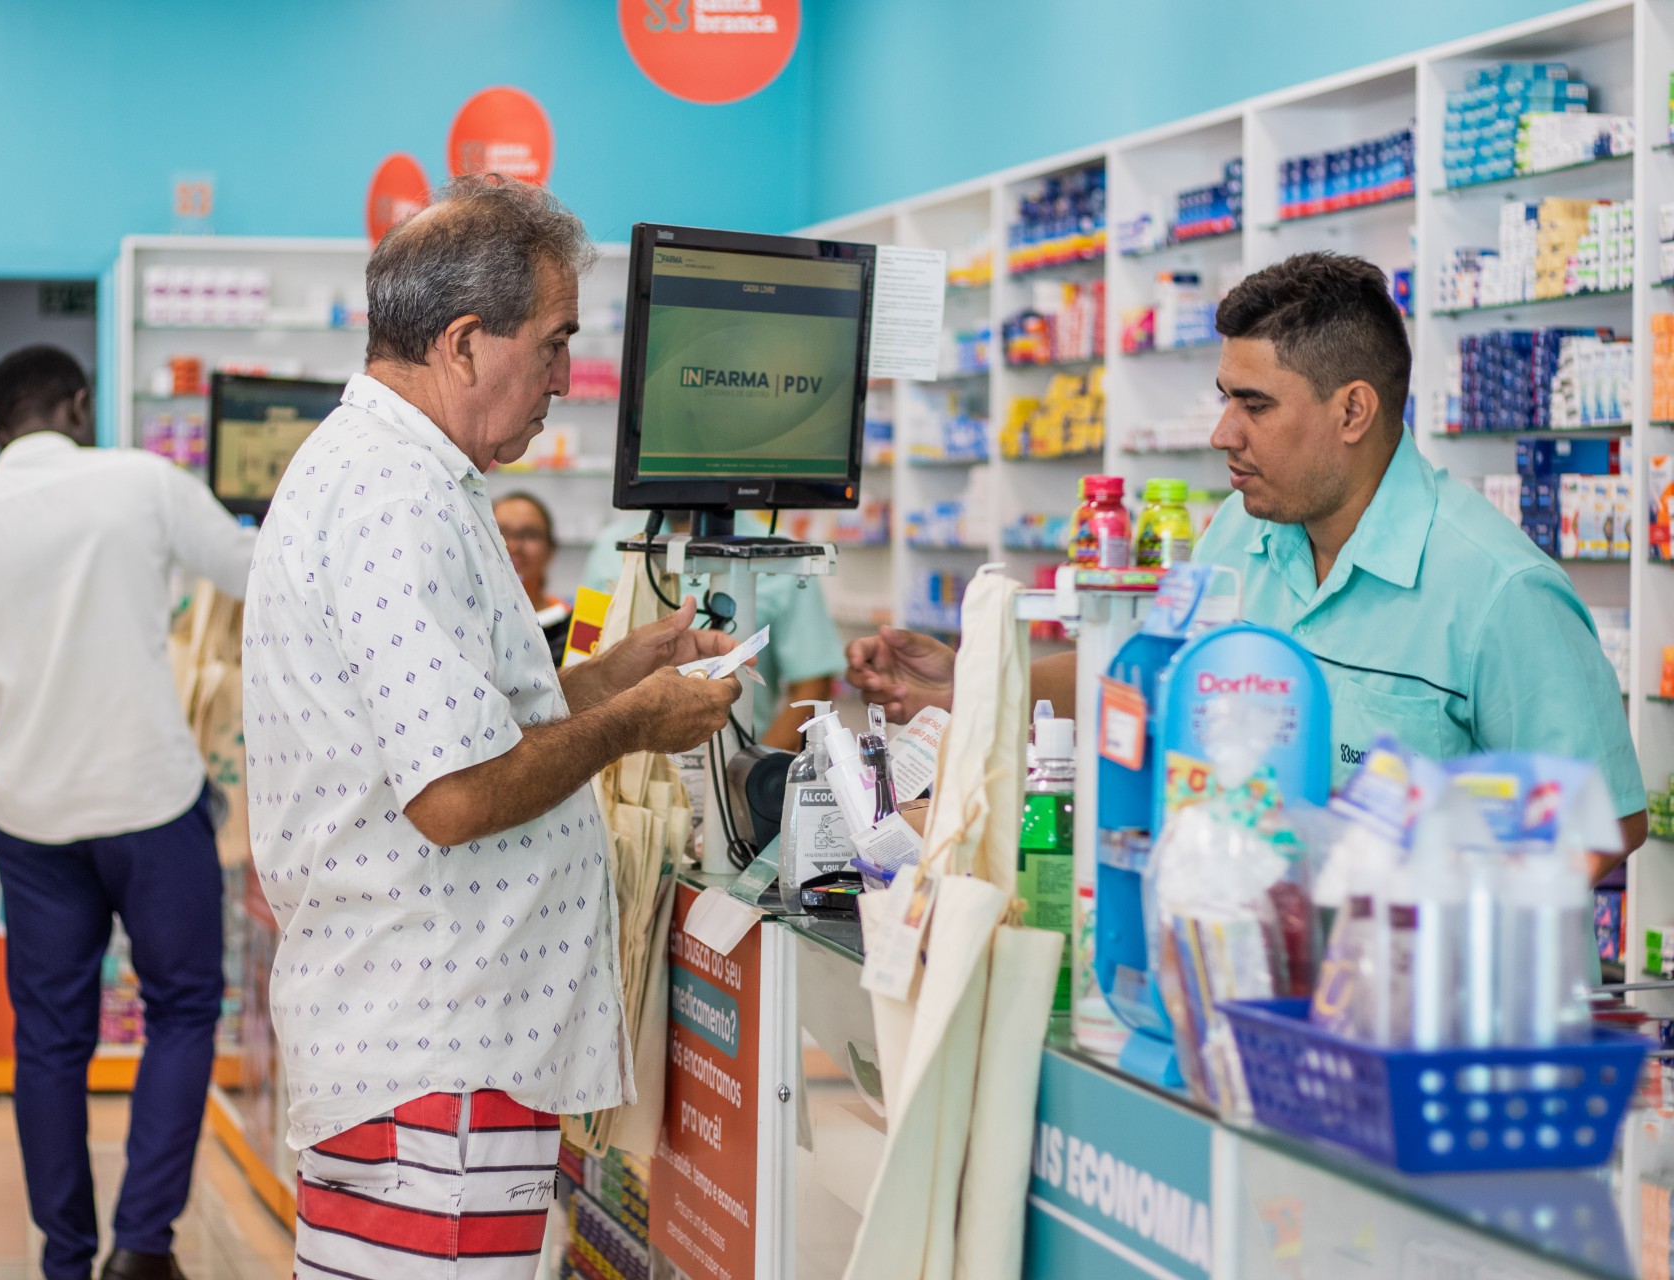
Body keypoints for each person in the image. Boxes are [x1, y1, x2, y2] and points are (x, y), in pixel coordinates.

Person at [240, 175, 741, 1280]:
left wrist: (615, 677)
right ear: (465, 343)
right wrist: (638, 726)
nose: (566, 377)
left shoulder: (410, 474)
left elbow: (455, 726)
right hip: (437, 1069)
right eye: (554, 342)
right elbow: (455, 793)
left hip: (434, 1063)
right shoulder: (395, 499)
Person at [849, 252, 1646, 871]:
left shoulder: (1496, 589)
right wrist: (976, 680)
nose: (1223, 433)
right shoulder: (1241, 534)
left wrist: (1410, 908)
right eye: (1225, 397)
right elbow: (1138, 673)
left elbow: (1607, 823)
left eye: (1254, 405)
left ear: (1353, 410)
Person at [0, 345, 256, 1280]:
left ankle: (65, 1258)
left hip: (33, 819)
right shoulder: (143, 481)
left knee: (51, 1042)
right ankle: (142, 1247)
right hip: (150, 802)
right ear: (81, 406)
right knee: (181, 1009)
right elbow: (256, 570)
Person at [581, 510, 845, 750]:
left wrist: (753, 775)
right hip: (627, 768)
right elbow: (582, 650)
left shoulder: (780, 552)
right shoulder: (610, 548)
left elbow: (813, 683)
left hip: (740, 756)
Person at [495, 490, 573, 658]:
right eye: (501, 534)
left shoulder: (569, 626)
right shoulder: (469, 620)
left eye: (529, 535)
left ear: (551, 549)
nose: (514, 547)